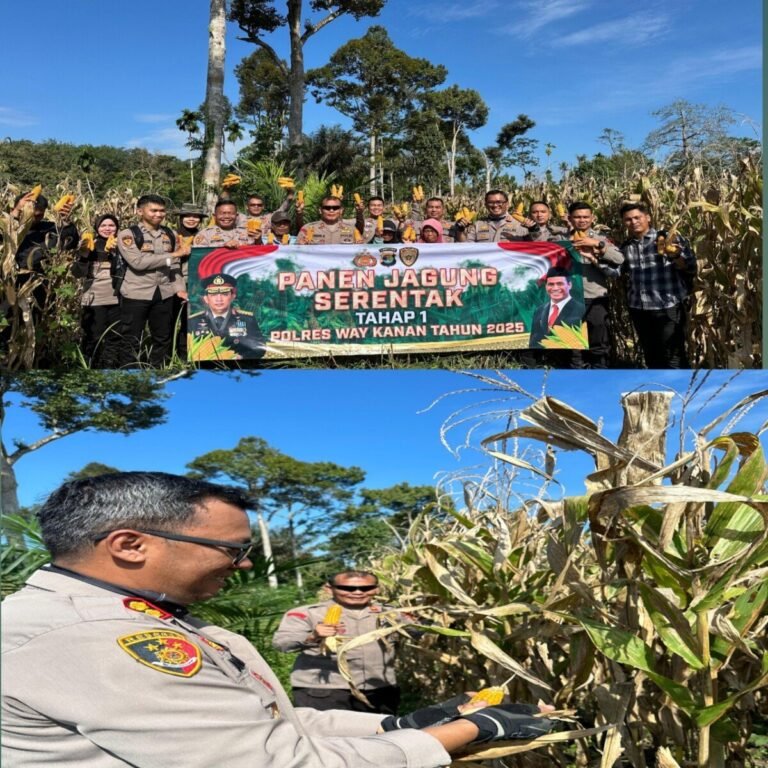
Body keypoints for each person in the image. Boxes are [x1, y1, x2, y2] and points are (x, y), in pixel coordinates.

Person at [2, 471, 554, 767]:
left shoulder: (142, 617)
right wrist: (468, 731)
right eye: (228, 549)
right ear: (129, 545)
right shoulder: (94, 638)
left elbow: (263, 725)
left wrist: (400, 725)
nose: (243, 563)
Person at [274, 571, 407, 714]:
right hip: (324, 690)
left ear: (376, 589)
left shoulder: (393, 614)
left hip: (379, 689)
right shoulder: (307, 613)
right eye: (348, 588)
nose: (357, 592)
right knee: (327, 736)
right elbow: (282, 643)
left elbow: (419, 631)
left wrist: (425, 616)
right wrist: (313, 637)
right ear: (329, 588)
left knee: (380, 733)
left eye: (366, 588)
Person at [619, 202, 697, 368]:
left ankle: (681, 391)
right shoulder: (626, 247)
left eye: (637, 217)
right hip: (639, 308)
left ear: (648, 217)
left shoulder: (669, 238)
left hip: (667, 307)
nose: (633, 222)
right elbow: (618, 271)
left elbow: (690, 266)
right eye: (628, 220)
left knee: (673, 356)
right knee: (651, 355)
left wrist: (675, 255)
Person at [116, 194, 190, 368]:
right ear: (140, 211)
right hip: (137, 293)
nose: (159, 214)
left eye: (162, 211)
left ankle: (159, 372)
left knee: (163, 337)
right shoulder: (128, 234)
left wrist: (179, 289)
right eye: (153, 210)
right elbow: (138, 263)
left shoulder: (170, 234)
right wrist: (173, 255)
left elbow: (175, 266)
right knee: (131, 337)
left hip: (165, 293)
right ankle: (129, 373)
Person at [564, 201, 624, 368]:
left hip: (595, 296)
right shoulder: (560, 240)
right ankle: (576, 370)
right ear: (570, 218)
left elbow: (619, 259)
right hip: (569, 298)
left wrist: (597, 247)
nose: (581, 220)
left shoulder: (601, 239)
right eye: (577, 217)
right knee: (573, 341)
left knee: (598, 336)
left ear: (592, 218)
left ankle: (600, 369)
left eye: (585, 217)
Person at [70, 213, 123, 368]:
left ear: (117, 228)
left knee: (115, 334)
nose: (107, 229)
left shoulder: (124, 244)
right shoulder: (89, 243)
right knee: (93, 333)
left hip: (117, 295)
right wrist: (84, 255)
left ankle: (111, 363)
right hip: (94, 296)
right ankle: (91, 363)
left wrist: (115, 254)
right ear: (97, 227)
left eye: (111, 225)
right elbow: (77, 273)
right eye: (103, 225)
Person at [189, 273, 266, 358]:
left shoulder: (247, 319)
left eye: (224, 294)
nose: (219, 299)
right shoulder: (192, 322)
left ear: (233, 296)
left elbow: (260, 348)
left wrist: (241, 358)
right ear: (206, 299)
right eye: (213, 294)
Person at [173, 202, 207, 361]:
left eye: (196, 216)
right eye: (187, 216)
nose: (191, 219)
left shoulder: (205, 236)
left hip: (197, 284)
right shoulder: (171, 235)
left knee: (192, 322)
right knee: (172, 322)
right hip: (174, 282)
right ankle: (173, 356)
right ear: (181, 218)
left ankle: (189, 356)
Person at [529, 267, 586, 349]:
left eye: (560, 284)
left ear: (569, 285)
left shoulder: (582, 310)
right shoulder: (539, 311)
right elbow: (533, 343)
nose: (555, 288)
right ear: (546, 286)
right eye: (551, 284)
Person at [455, 190, 526, 243]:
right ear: (486, 205)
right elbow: (466, 247)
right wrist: (460, 231)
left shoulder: (520, 224)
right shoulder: (477, 225)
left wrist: (534, 230)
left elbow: (534, 244)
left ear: (507, 204)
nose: (495, 205)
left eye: (499, 202)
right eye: (491, 202)